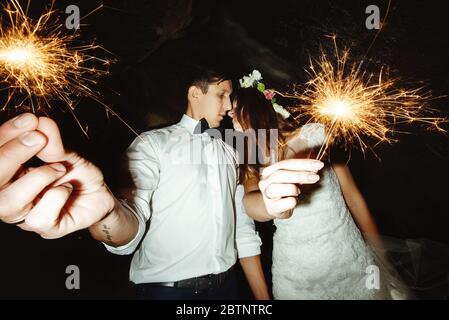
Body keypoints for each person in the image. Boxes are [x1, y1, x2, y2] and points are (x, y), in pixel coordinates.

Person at [0, 63, 323, 299]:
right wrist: (107, 212)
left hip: (228, 287)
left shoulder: (230, 149)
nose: (228, 105)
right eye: (223, 95)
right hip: (164, 292)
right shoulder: (151, 144)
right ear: (195, 93)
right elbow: (131, 223)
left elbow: (242, 222)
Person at [228, 73, 411, 300]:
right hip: (296, 280)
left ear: (256, 107)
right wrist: (270, 204)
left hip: (351, 263)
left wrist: (382, 257)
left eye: (236, 111)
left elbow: (354, 199)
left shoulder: (314, 135)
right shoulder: (250, 162)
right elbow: (251, 203)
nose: (232, 118)